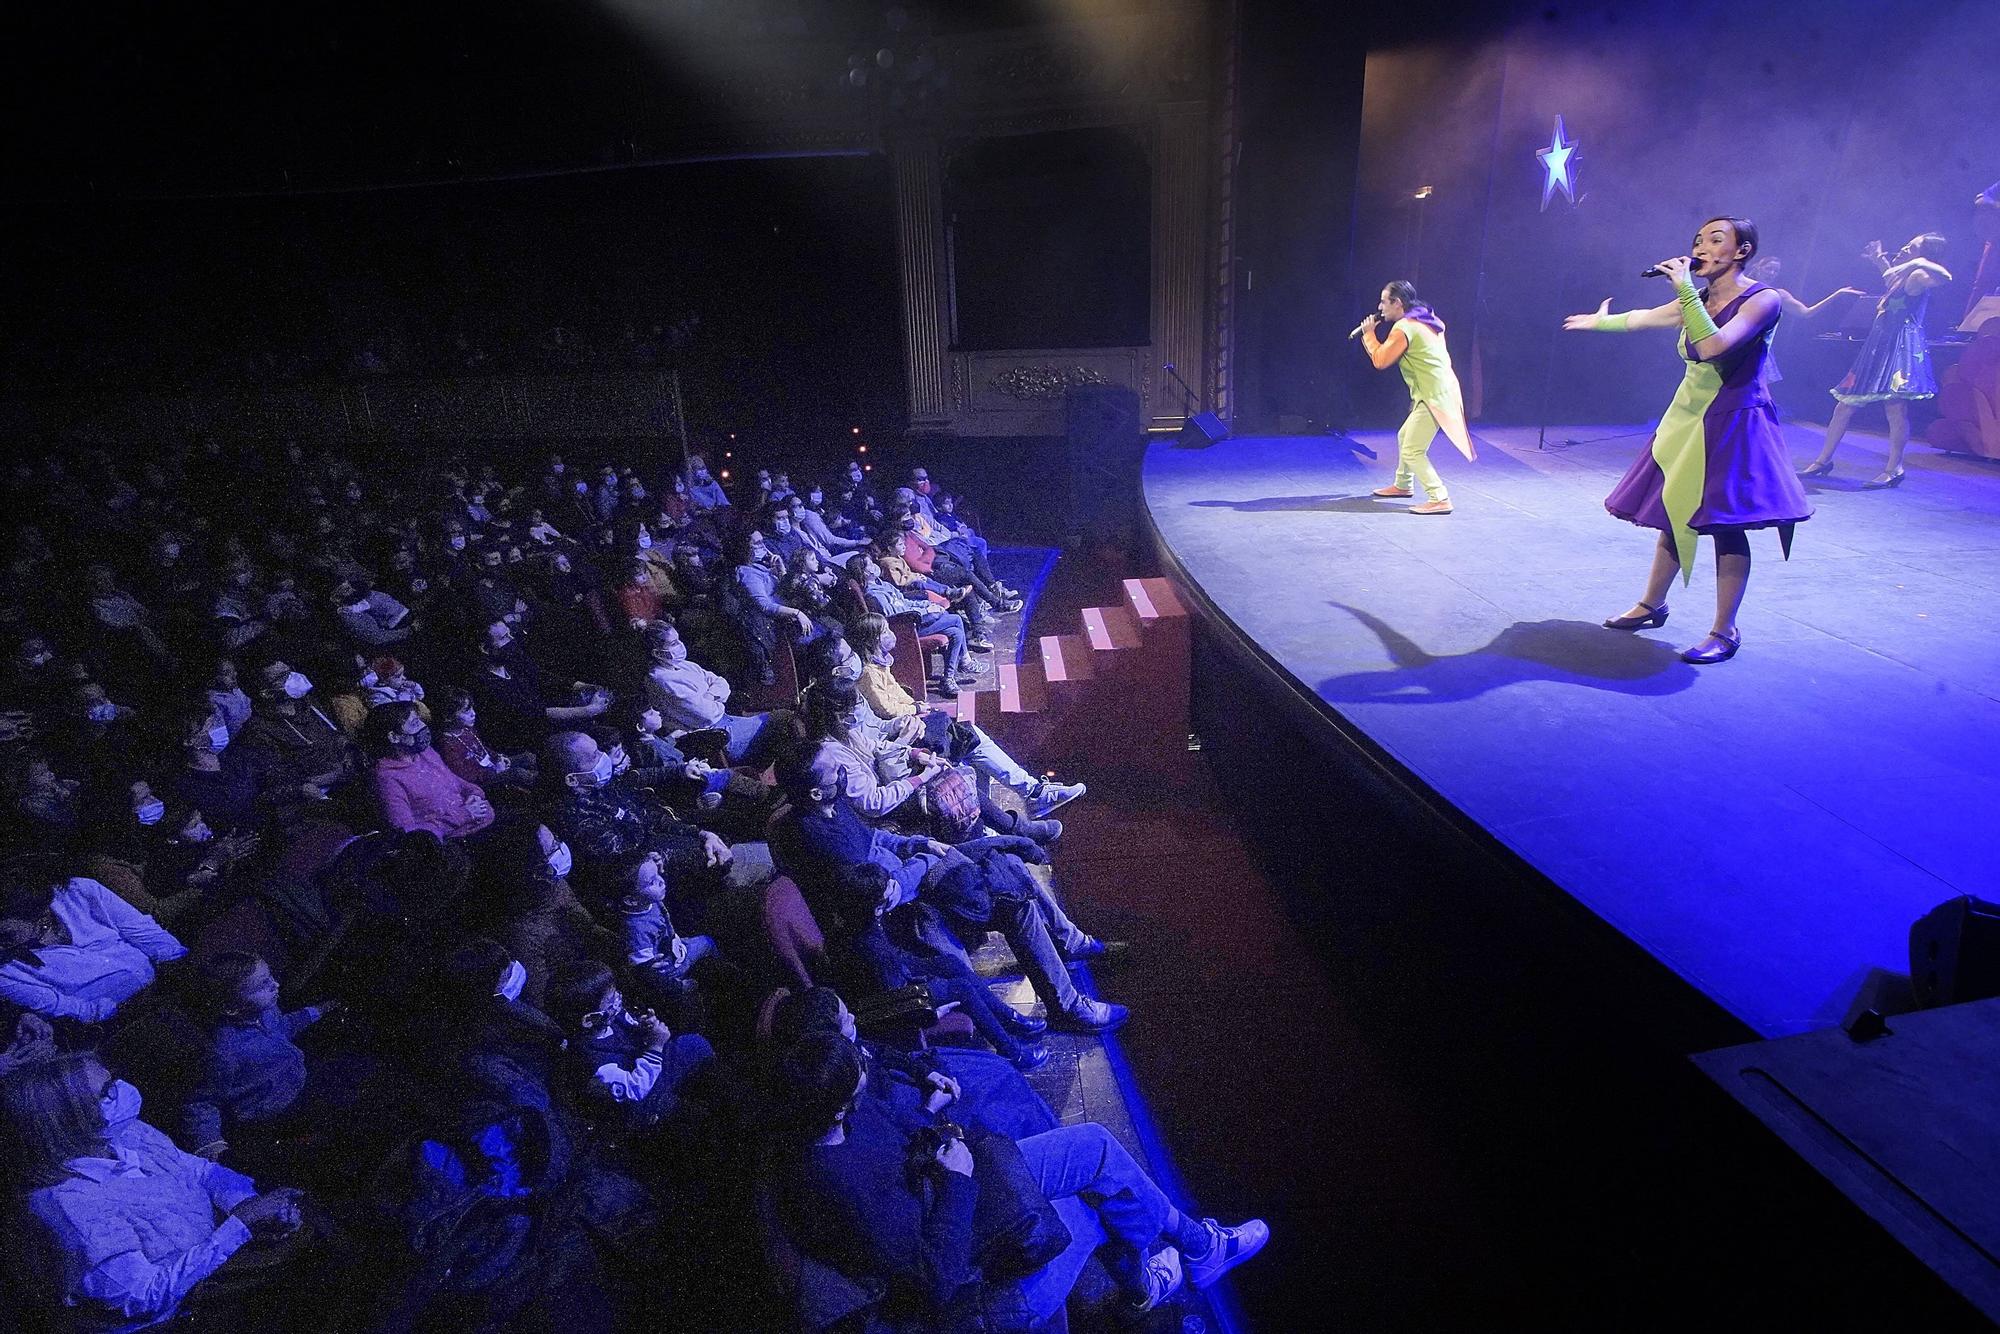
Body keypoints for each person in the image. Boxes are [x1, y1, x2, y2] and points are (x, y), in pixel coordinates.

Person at [769, 1035, 1268, 1326]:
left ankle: (1198, 1247)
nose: (865, 1058)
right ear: (837, 1105)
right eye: (858, 1075)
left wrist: (930, 1120)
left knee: (1094, 1144)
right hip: (970, 1285)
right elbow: (935, 1281)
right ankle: (1145, 1291)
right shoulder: (832, 1185)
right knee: (1099, 1206)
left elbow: (898, 1150)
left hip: (958, 1199)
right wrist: (959, 1181)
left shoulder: (833, 1121)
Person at [1564, 215, 1811, 665]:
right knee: (1675, 509)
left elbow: (1716, 345)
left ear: (1741, 251)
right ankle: (1652, 603)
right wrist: (1600, 323)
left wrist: (1682, 289)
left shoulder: (1763, 300)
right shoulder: (1696, 297)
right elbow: (1639, 319)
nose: (1701, 247)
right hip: (1687, 419)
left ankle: (1725, 629)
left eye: (1715, 240)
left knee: (1725, 525)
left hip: (1735, 423)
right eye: (1698, 239)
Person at [1, 1052, 315, 1332]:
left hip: (211, 1257)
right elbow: (144, 1296)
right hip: (181, 1311)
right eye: (107, 1091)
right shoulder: (69, 1209)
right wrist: (241, 1226)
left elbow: (200, 1170)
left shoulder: (123, 1132)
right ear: (67, 1122)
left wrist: (247, 1203)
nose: (123, 1089)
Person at [1798, 233, 1954, 487]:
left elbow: (1946, 277)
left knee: (1895, 407)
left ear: (1923, 255)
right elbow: (1890, 278)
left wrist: (1914, 264)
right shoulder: (1903, 275)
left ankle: (1894, 468)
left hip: (1899, 345)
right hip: (1878, 346)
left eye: (1911, 247)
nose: (1904, 247)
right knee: (1844, 405)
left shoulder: (1917, 275)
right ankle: (1823, 460)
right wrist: (1879, 260)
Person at [0, 861, 187, 1024]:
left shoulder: (78, 892)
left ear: (38, 913)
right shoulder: (5, 972)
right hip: (125, 1018)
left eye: (5, 934)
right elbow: (75, 1011)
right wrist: (140, 1007)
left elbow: (153, 938)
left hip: (170, 983)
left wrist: (181, 974)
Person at [1354, 279, 1476, 514]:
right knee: (1405, 436)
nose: (1380, 307)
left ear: (1397, 303)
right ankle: (1403, 484)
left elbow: (1380, 360)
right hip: (1434, 390)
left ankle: (1439, 497)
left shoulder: (1405, 327)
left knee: (1412, 449)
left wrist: (1369, 335)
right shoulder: (1423, 319)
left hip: (1435, 394)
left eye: (1383, 302)